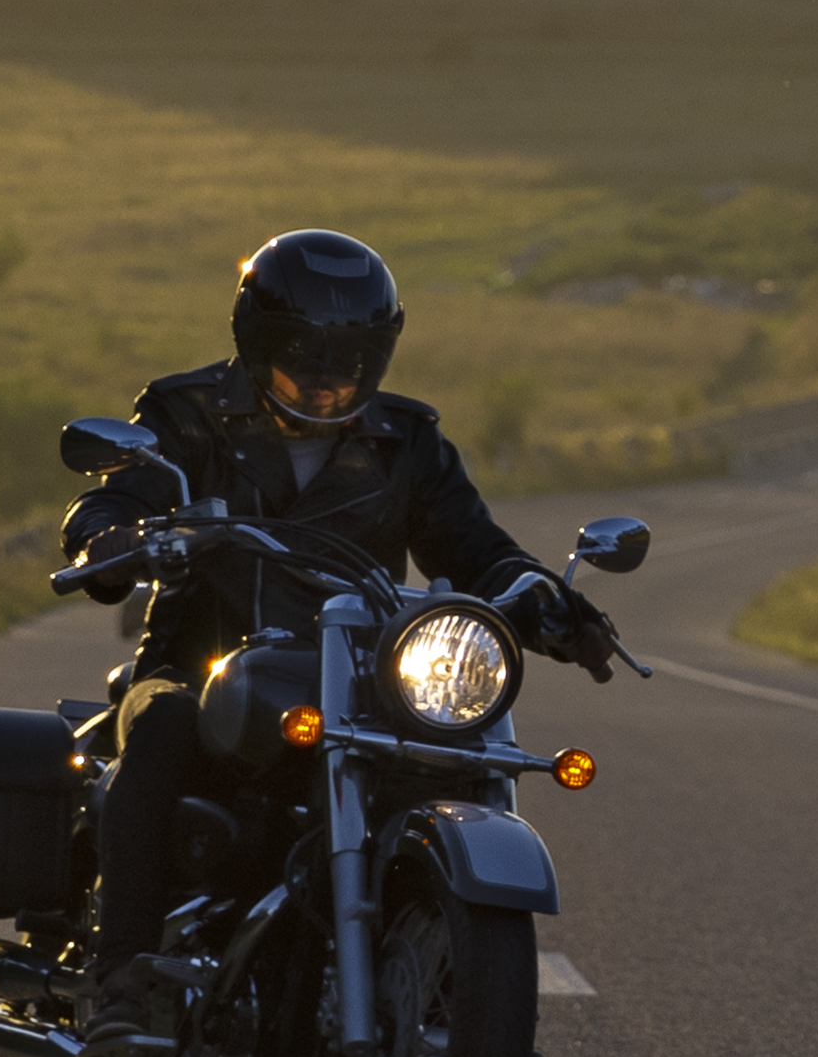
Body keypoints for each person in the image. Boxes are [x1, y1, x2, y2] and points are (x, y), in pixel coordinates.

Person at [66, 225, 618, 945]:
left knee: (450, 744)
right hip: (200, 669)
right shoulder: (187, 414)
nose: (327, 379)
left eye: (351, 360)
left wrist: (546, 600)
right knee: (162, 724)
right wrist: (114, 538)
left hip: (362, 681)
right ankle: (124, 981)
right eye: (303, 356)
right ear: (258, 341)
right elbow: (117, 497)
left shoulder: (408, 439)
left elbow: (476, 546)